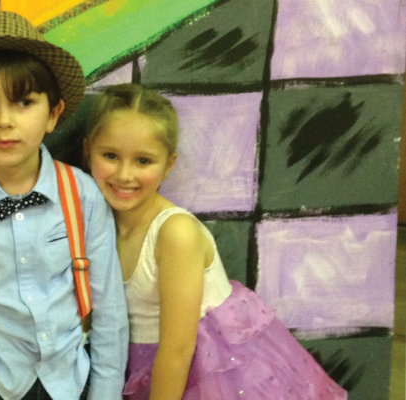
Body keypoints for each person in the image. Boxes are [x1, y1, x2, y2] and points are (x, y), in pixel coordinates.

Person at [84, 84, 348, 400]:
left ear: (168, 165)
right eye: (110, 156)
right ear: (88, 151)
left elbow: (178, 349)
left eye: (143, 161)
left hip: (207, 370)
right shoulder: (96, 224)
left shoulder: (175, 233)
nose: (124, 175)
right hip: (144, 362)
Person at [0, 10, 129, 400]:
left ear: (53, 114)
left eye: (24, 102)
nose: (4, 121)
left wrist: (105, 392)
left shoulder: (83, 195)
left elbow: (109, 309)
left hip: (72, 374)